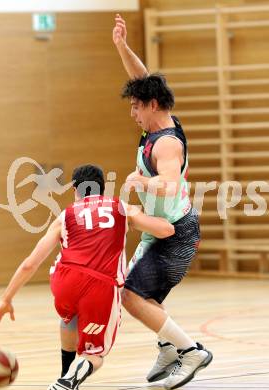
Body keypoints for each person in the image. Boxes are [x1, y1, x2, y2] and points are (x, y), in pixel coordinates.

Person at [0, 164, 175, 390]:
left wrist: (6, 299)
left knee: (70, 317)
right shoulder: (120, 207)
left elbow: (31, 263)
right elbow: (165, 231)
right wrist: (164, 216)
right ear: (103, 188)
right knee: (94, 355)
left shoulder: (65, 215)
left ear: (75, 190)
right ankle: (68, 379)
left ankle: (64, 375)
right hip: (100, 286)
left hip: (63, 281)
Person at [112, 14, 213, 390]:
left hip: (174, 235)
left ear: (152, 105)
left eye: (137, 106)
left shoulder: (167, 143)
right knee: (141, 294)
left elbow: (169, 185)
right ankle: (169, 348)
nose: (132, 112)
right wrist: (122, 47)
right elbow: (144, 78)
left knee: (132, 297)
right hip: (162, 232)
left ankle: (191, 352)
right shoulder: (158, 121)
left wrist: (143, 182)